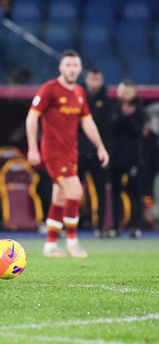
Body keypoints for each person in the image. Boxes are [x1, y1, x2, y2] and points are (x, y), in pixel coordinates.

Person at [26, 51, 109, 258]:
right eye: (68, 65)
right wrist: (33, 148)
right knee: (76, 191)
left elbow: (87, 122)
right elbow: (32, 118)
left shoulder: (80, 92)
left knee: (60, 198)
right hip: (53, 151)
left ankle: (50, 245)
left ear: (80, 69)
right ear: (60, 67)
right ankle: (72, 242)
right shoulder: (50, 89)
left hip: (71, 152)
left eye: (75, 65)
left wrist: (100, 146)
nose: (72, 69)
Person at [77, 68, 114, 238]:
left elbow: (109, 128)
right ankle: (70, 226)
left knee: (101, 191)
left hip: (98, 152)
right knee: (73, 191)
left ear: (102, 81)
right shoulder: (77, 96)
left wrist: (103, 148)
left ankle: (101, 226)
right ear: (87, 80)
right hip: (79, 151)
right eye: (92, 79)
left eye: (97, 79)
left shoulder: (107, 101)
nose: (94, 83)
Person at [111, 79, 145, 238]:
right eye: (123, 91)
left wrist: (129, 116)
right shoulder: (114, 107)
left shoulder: (138, 108)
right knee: (115, 194)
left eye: (128, 92)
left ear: (133, 92)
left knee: (135, 194)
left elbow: (138, 131)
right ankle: (116, 227)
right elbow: (110, 129)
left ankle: (136, 227)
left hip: (133, 159)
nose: (125, 95)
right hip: (116, 158)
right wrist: (122, 115)